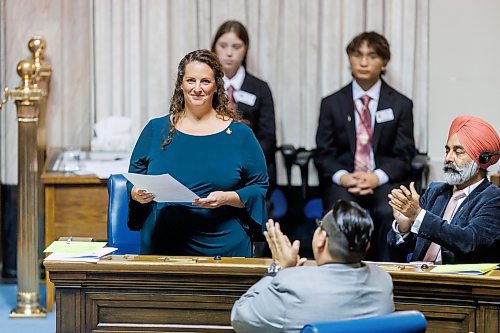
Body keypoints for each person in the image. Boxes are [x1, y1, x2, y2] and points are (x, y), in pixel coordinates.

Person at [127, 49, 269, 257]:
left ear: (216, 86)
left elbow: (259, 187)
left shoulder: (240, 135)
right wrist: (136, 193)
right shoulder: (155, 129)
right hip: (164, 241)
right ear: (181, 84)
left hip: (223, 242)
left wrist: (227, 197)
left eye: (205, 81)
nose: (197, 88)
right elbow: (135, 175)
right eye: (191, 80)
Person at [314, 31, 415, 261]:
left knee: (385, 210)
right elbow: (323, 153)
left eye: (372, 55)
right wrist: (344, 177)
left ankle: (385, 270)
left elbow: (404, 154)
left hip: (384, 179)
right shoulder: (332, 103)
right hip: (345, 179)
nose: (363, 61)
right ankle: (340, 269)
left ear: (384, 62)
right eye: (357, 55)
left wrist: (376, 177)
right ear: (349, 58)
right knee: (343, 211)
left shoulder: (400, 104)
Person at [231, 200, 394, 333]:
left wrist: (278, 269)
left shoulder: (291, 283)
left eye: (320, 224)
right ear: (366, 246)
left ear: (322, 238)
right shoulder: (383, 281)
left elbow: (240, 318)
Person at [388, 115, 500, 264]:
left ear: (481, 160)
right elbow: (398, 254)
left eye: (458, 152)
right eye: (447, 150)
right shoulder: (435, 192)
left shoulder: (493, 198)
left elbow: (470, 242)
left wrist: (419, 215)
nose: (448, 158)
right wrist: (404, 227)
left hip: (459, 284)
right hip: (418, 279)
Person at [211, 20, 277, 188]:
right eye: (223, 46)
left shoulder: (260, 88)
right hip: (211, 166)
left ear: (246, 49)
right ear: (214, 48)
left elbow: (268, 138)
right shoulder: (205, 86)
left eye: (236, 46)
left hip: (250, 169)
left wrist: (245, 164)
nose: (229, 53)